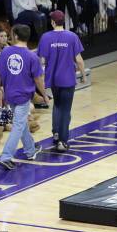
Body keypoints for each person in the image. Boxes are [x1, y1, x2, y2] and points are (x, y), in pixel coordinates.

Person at [0, 24, 48, 170]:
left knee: (22, 123)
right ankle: (6, 156)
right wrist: (44, 95)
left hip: (9, 95)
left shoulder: (5, 51)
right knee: (18, 125)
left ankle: (30, 150)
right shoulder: (32, 56)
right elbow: (38, 79)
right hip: (23, 96)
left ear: (16, 36)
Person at [37, 10, 85, 152]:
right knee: (66, 110)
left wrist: (41, 78)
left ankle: (56, 132)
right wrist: (83, 75)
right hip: (68, 79)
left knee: (57, 106)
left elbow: (41, 61)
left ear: (52, 22)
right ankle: (63, 141)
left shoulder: (45, 37)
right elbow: (79, 60)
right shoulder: (72, 36)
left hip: (53, 79)